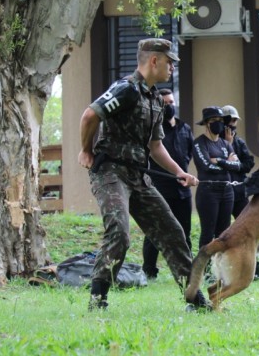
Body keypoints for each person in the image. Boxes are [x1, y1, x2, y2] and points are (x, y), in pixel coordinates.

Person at [78, 38, 210, 311]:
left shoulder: (155, 99)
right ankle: (97, 299)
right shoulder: (125, 89)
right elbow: (90, 116)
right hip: (110, 172)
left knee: (172, 231)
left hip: (138, 176)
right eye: (169, 61)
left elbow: (156, 146)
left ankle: (194, 298)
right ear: (154, 60)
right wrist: (86, 151)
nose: (172, 66)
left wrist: (179, 172)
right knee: (120, 233)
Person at [141, 88, 194, 280]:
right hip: (160, 186)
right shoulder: (154, 130)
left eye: (171, 102)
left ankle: (187, 270)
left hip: (183, 189)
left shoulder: (184, 128)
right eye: (165, 104)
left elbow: (188, 153)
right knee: (155, 230)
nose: (169, 106)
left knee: (184, 231)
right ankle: (149, 271)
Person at [193, 107, 241, 252]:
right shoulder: (199, 143)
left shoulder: (225, 143)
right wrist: (227, 162)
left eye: (220, 121)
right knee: (208, 233)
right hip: (208, 192)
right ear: (206, 123)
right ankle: (203, 269)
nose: (218, 124)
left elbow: (237, 166)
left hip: (227, 191)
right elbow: (206, 166)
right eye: (214, 121)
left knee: (224, 234)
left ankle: (219, 270)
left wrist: (219, 161)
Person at [222, 105, 255, 218]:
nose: (232, 123)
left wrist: (236, 165)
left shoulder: (240, 142)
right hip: (222, 193)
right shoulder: (214, 142)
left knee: (245, 224)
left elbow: (248, 164)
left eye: (234, 120)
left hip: (239, 192)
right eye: (229, 120)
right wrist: (228, 144)